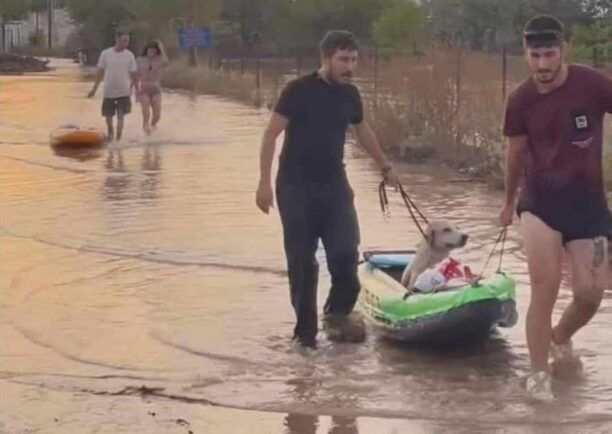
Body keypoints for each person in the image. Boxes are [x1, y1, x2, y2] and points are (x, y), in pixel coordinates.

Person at [255, 30, 400, 348]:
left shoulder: (351, 95)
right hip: (295, 187)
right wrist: (264, 183)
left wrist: (385, 166)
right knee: (303, 262)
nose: (351, 67)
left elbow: (362, 131)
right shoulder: (297, 90)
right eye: (343, 60)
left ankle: (335, 314)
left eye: (354, 60)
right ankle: (305, 336)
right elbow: (270, 135)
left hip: (335, 184)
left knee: (346, 256)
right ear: (326, 59)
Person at [499, 14, 612, 399]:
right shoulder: (520, 100)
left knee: (590, 294)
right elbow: (515, 153)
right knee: (543, 287)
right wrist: (508, 201)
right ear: (526, 55)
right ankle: (537, 374)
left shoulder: (593, 84)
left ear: (564, 51)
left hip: (588, 204)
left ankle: (560, 337)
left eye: (550, 54)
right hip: (539, 203)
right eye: (536, 55)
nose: (543, 64)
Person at [88, 30, 139, 141]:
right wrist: (94, 88)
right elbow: (100, 72)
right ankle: (110, 132)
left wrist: (137, 90)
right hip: (109, 90)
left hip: (124, 90)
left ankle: (118, 138)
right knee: (108, 115)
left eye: (127, 41)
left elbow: (134, 74)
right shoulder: (106, 54)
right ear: (116, 39)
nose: (125, 44)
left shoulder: (130, 55)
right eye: (123, 41)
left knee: (121, 115)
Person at [137, 40, 169, 135]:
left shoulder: (159, 59)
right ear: (146, 50)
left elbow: (166, 63)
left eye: (154, 51)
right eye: (150, 51)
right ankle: (146, 132)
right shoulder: (140, 60)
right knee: (146, 114)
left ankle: (152, 126)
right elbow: (134, 74)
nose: (152, 53)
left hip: (156, 88)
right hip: (144, 88)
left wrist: (162, 49)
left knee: (157, 114)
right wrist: (134, 89)